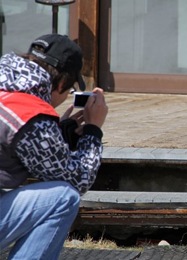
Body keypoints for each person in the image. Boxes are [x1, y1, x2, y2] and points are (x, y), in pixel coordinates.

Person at [0, 34, 108, 259]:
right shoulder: (30, 115)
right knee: (63, 198)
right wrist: (93, 131)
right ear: (60, 84)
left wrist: (57, 135)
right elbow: (79, 179)